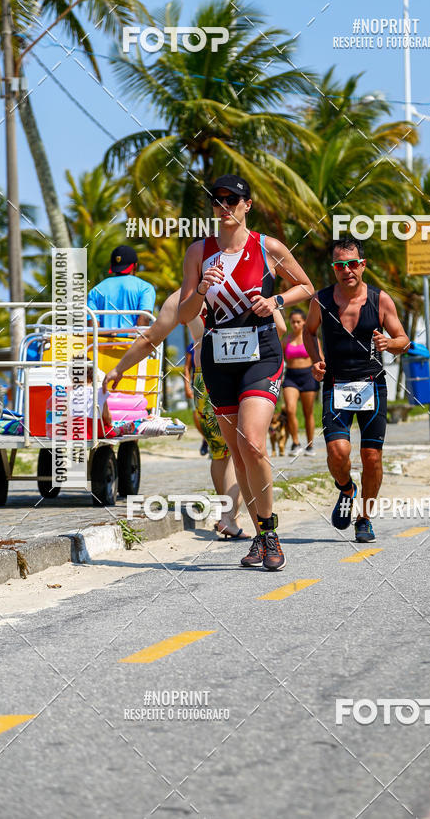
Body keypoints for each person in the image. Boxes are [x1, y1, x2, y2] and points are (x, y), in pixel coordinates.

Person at [103, 175, 314, 571]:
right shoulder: (199, 252)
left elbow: (306, 286)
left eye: (232, 200)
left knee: (253, 444)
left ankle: (269, 533)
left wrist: (277, 301)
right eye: (217, 201)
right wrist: (200, 288)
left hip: (260, 355)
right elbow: (181, 316)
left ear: (247, 204)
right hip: (217, 363)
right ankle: (256, 535)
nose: (224, 206)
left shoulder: (267, 248)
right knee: (235, 452)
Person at [303, 236, 409, 543]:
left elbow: (403, 339)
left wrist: (391, 344)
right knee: (338, 452)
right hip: (335, 383)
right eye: (340, 265)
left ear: (362, 265)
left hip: (372, 384)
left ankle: (364, 518)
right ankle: (347, 490)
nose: (347, 270)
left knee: (372, 457)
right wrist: (316, 360)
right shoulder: (321, 300)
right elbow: (310, 333)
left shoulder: (380, 300)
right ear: (334, 268)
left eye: (352, 264)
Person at [185, 314, 248, 538]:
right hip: (235, 369)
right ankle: (229, 517)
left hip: (202, 375)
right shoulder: (240, 284)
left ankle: (228, 515)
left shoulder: (184, 295)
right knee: (239, 448)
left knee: (219, 452)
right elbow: (279, 326)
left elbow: (151, 336)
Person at [87, 245, 156, 329]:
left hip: (102, 342)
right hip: (132, 341)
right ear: (135, 266)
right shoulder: (145, 288)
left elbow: (93, 327)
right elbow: (144, 320)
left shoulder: (95, 290)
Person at [282, 308, 319, 455]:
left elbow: (319, 357)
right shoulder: (285, 340)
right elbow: (278, 361)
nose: (296, 324)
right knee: (290, 410)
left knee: (308, 412)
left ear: (304, 322)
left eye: (298, 322)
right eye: (293, 322)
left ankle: (310, 445)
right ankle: (295, 443)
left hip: (308, 376)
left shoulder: (311, 338)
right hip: (291, 376)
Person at [183, 337, 208, 455]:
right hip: (197, 385)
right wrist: (187, 386)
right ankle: (206, 438)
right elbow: (187, 368)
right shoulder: (192, 346)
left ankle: (214, 442)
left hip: (213, 384)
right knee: (197, 416)